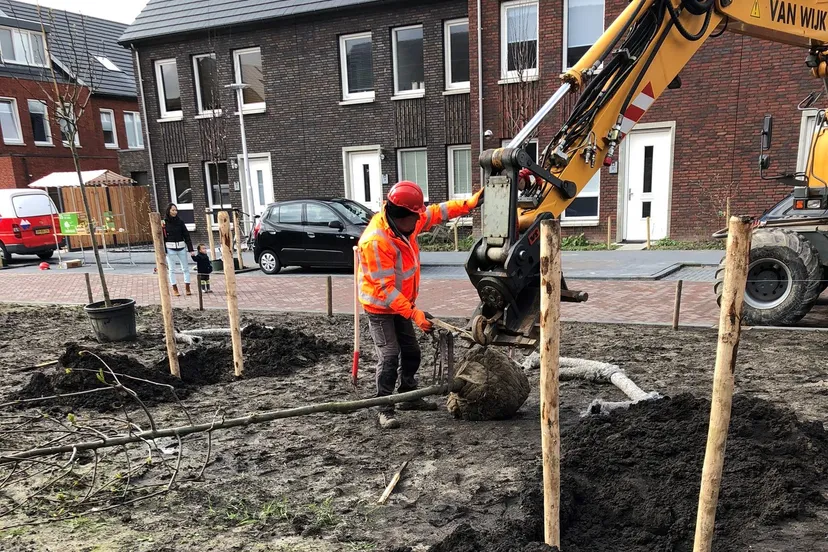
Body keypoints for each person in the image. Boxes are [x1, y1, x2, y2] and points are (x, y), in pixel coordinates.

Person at [357, 180, 484, 429]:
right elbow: (384, 289)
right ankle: (384, 407)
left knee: (412, 352)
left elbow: (438, 212)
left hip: (402, 304)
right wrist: (414, 314)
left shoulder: (407, 222)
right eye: (415, 217)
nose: (419, 221)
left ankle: (408, 395)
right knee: (390, 355)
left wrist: (469, 204)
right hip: (380, 308)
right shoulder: (375, 242)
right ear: (399, 215)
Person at [162, 203, 194, 296]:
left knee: (185, 268)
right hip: (170, 248)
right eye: (173, 210)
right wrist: (164, 250)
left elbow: (186, 235)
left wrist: (191, 249)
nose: (175, 212)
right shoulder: (164, 223)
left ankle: (187, 287)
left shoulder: (180, 222)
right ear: (168, 211)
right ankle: (174, 288)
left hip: (181, 247)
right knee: (171, 269)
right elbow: (162, 237)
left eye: (176, 210)